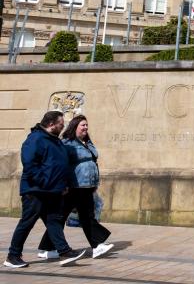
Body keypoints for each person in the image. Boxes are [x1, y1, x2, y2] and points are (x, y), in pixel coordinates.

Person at [4, 111, 86, 268]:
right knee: (27, 222)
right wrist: (45, 183)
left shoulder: (55, 141)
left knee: (54, 221)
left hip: (52, 191)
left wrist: (62, 185)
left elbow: (59, 165)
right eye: (61, 124)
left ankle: (64, 252)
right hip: (36, 191)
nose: (63, 127)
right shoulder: (35, 139)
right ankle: (12, 256)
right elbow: (30, 165)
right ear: (51, 124)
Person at [37, 116, 113, 260]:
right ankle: (95, 245)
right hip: (73, 187)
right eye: (83, 125)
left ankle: (48, 248)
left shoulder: (87, 142)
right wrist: (63, 184)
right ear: (74, 126)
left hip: (87, 187)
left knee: (85, 216)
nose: (85, 128)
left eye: (87, 125)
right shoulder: (67, 144)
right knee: (65, 217)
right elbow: (62, 165)